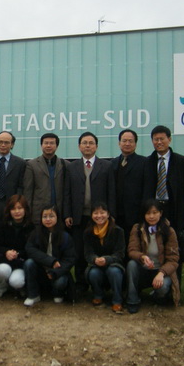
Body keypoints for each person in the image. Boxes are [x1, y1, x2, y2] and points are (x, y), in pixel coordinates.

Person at [143, 125, 184, 284]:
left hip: (175, 209)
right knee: (155, 246)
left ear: (169, 139)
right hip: (153, 210)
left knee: (174, 248)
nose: (159, 142)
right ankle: (156, 284)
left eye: (162, 139)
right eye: (155, 139)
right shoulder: (147, 162)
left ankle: (174, 287)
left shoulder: (182, 162)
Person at [63, 131, 115, 293]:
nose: (88, 145)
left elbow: (111, 192)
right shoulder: (71, 167)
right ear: (79, 146)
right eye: (84, 143)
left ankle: (101, 285)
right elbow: (67, 193)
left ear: (96, 146)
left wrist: (110, 214)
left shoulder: (106, 166)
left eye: (91, 143)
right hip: (79, 217)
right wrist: (67, 214)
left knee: (100, 250)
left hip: (100, 218)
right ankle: (81, 284)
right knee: (79, 252)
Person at [126, 199, 180, 314]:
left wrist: (161, 273)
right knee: (131, 265)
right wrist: (142, 257)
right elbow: (132, 250)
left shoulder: (169, 231)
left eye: (155, 213)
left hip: (161, 270)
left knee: (163, 287)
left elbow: (173, 259)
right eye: (148, 213)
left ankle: (157, 296)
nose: (151, 216)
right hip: (143, 269)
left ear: (161, 213)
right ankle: (132, 300)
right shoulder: (137, 229)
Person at [23, 204, 76, 306]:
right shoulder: (36, 233)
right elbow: (29, 249)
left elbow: (70, 259)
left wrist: (55, 272)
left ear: (57, 217)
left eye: (51, 216)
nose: (48, 219)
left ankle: (58, 293)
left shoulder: (65, 237)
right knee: (29, 263)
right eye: (45, 216)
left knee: (61, 282)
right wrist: (50, 261)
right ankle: (33, 295)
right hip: (41, 269)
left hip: (58, 271)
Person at [84, 202, 125, 312]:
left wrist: (107, 259)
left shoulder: (118, 231)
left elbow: (120, 253)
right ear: (91, 215)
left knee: (114, 271)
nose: (99, 216)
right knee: (93, 273)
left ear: (108, 214)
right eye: (95, 213)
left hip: (114, 264)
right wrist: (95, 259)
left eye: (102, 212)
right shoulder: (88, 232)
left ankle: (117, 300)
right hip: (97, 265)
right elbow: (88, 253)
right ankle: (98, 295)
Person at [0, 194, 34, 298]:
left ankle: (17, 288)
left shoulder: (31, 227)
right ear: (9, 210)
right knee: (3, 270)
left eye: (20, 208)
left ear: (25, 209)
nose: (17, 211)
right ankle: (1, 286)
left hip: (20, 263)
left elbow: (31, 249)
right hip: (4, 261)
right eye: (13, 209)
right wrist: (6, 252)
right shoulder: (3, 225)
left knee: (16, 282)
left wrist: (18, 253)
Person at [110, 129, 146, 247]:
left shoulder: (144, 162)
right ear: (119, 143)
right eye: (124, 141)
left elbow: (147, 189)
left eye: (130, 141)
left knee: (134, 245)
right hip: (116, 214)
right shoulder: (112, 163)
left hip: (135, 214)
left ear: (135, 143)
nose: (127, 143)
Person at [23, 133, 66, 225]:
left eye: (52, 143)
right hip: (38, 213)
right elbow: (28, 191)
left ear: (57, 146)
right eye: (46, 143)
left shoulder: (65, 164)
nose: (48, 145)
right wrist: (27, 213)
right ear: (41, 145)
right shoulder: (31, 165)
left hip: (60, 212)